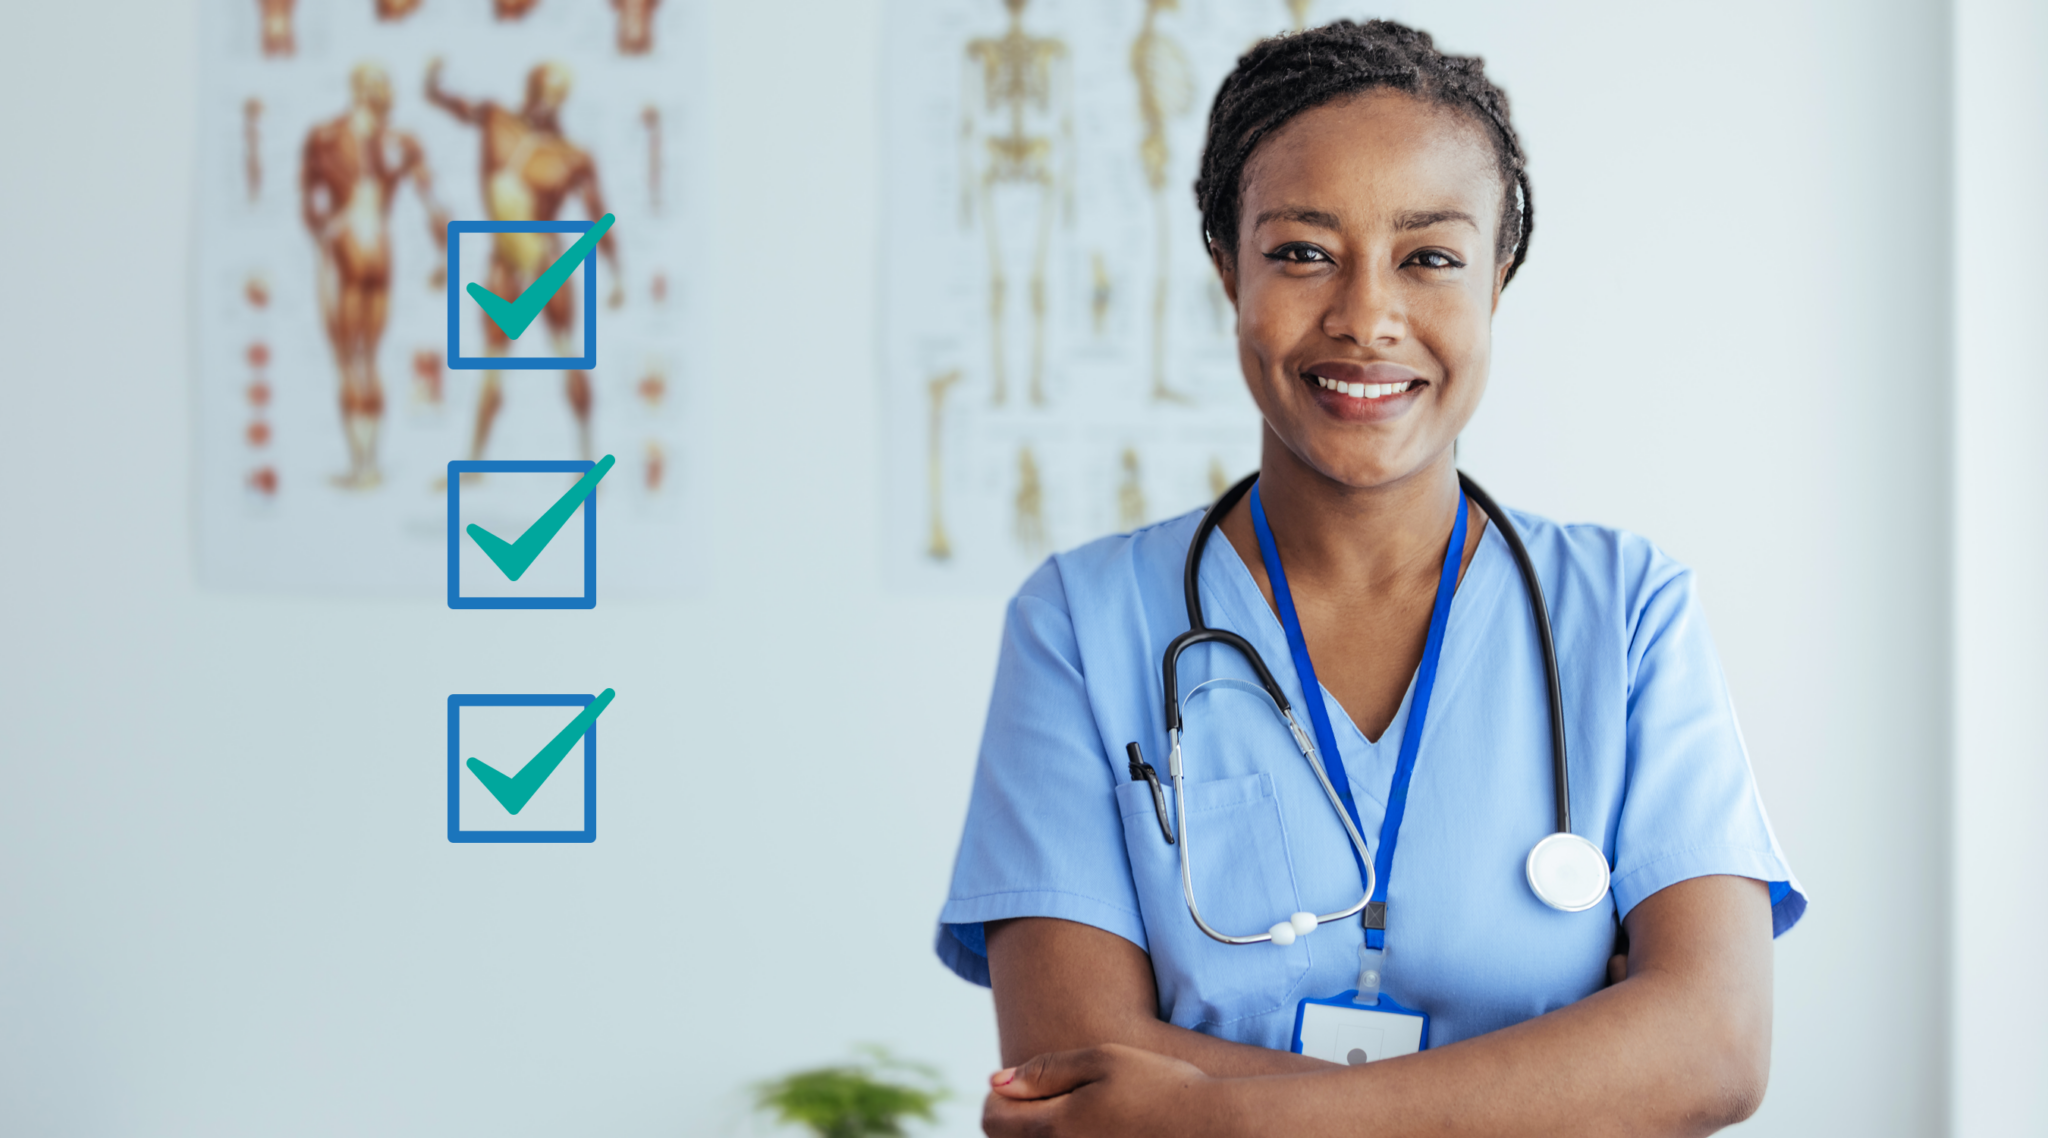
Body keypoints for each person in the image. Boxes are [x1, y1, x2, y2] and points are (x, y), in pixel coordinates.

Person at [936, 20, 1806, 1137]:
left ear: (1496, 277)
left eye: (1428, 256)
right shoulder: (1080, 623)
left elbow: (1712, 1046)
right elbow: (1069, 1069)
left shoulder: (1626, 612)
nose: (1363, 317)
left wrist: (1220, 1117)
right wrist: (1568, 1075)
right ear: (1226, 270)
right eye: (1301, 251)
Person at [427, 58, 622, 464]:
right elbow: (459, 107)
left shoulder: (571, 156)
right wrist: (433, 83)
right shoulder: (497, 121)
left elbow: (598, 213)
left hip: (546, 263)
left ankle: (587, 459)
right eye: (543, 90)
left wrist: (616, 273)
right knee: (492, 364)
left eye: (557, 94)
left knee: (569, 358)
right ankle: (474, 460)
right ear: (530, 88)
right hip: (503, 261)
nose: (548, 101)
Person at [299, 62, 445, 489]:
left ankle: (361, 464)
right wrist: (443, 258)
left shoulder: (324, 137)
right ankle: (371, 464)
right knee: (370, 359)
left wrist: (324, 232)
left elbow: (311, 204)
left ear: (356, 90)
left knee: (348, 361)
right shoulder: (402, 142)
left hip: (346, 241)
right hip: (380, 244)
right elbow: (435, 204)